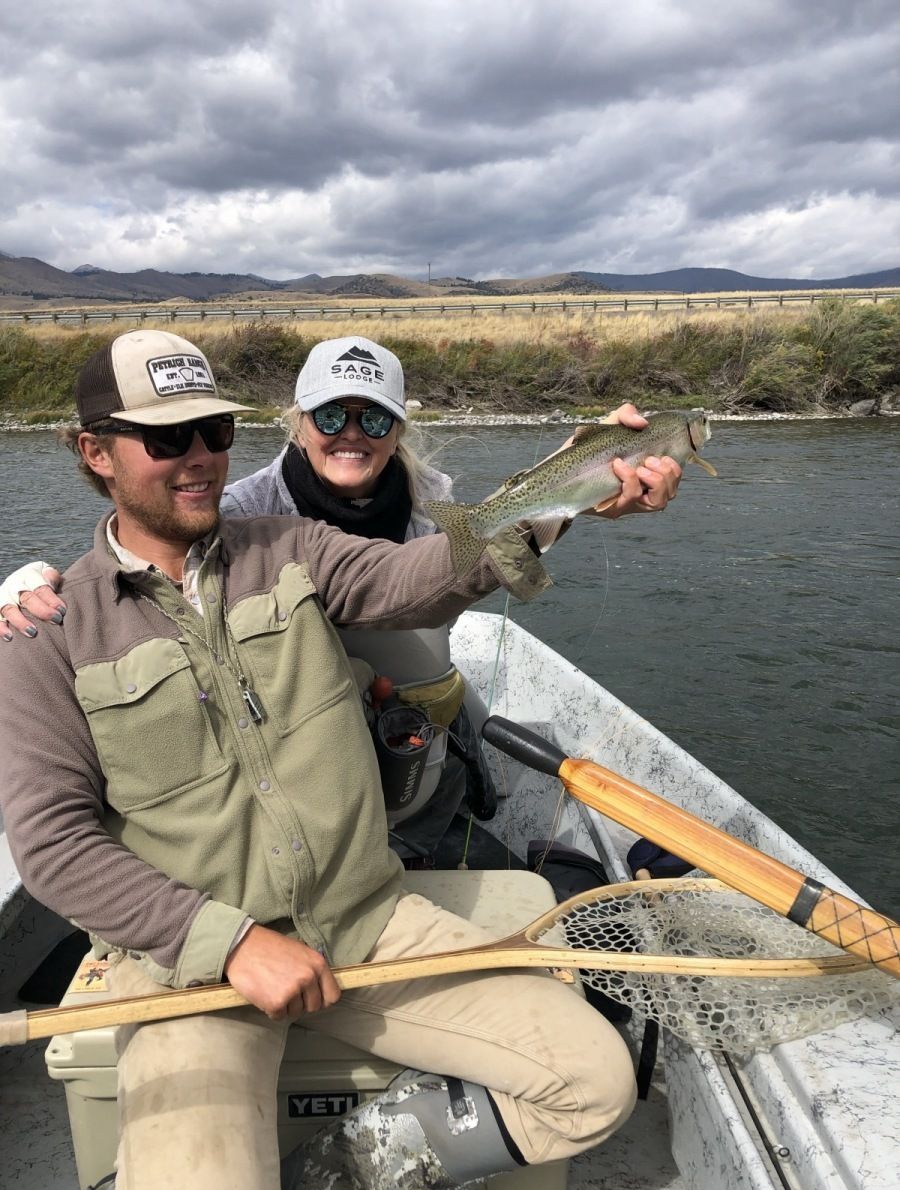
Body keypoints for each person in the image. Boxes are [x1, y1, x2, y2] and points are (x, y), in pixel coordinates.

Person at [0, 329, 637, 1190]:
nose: (199, 460)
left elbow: (427, 573)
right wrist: (223, 944)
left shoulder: (294, 548)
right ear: (94, 452)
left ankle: (338, 1174)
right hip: (189, 967)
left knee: (599, 1081)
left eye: (215, 433)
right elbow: (54, 845)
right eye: (167, 438)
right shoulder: (46, 634)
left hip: (366, 918)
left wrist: (582, 477)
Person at [0, 335, 682, 868]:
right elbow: (135, 574)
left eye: (374, 418)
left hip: (414, 704)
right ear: (297, 423)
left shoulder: (436, 503)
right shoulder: (235, 515)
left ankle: (432, 793)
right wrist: (30, 583)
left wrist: (574, 481)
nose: (351, 432)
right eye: (330, 414)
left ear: (397, 429)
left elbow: (433, 570)